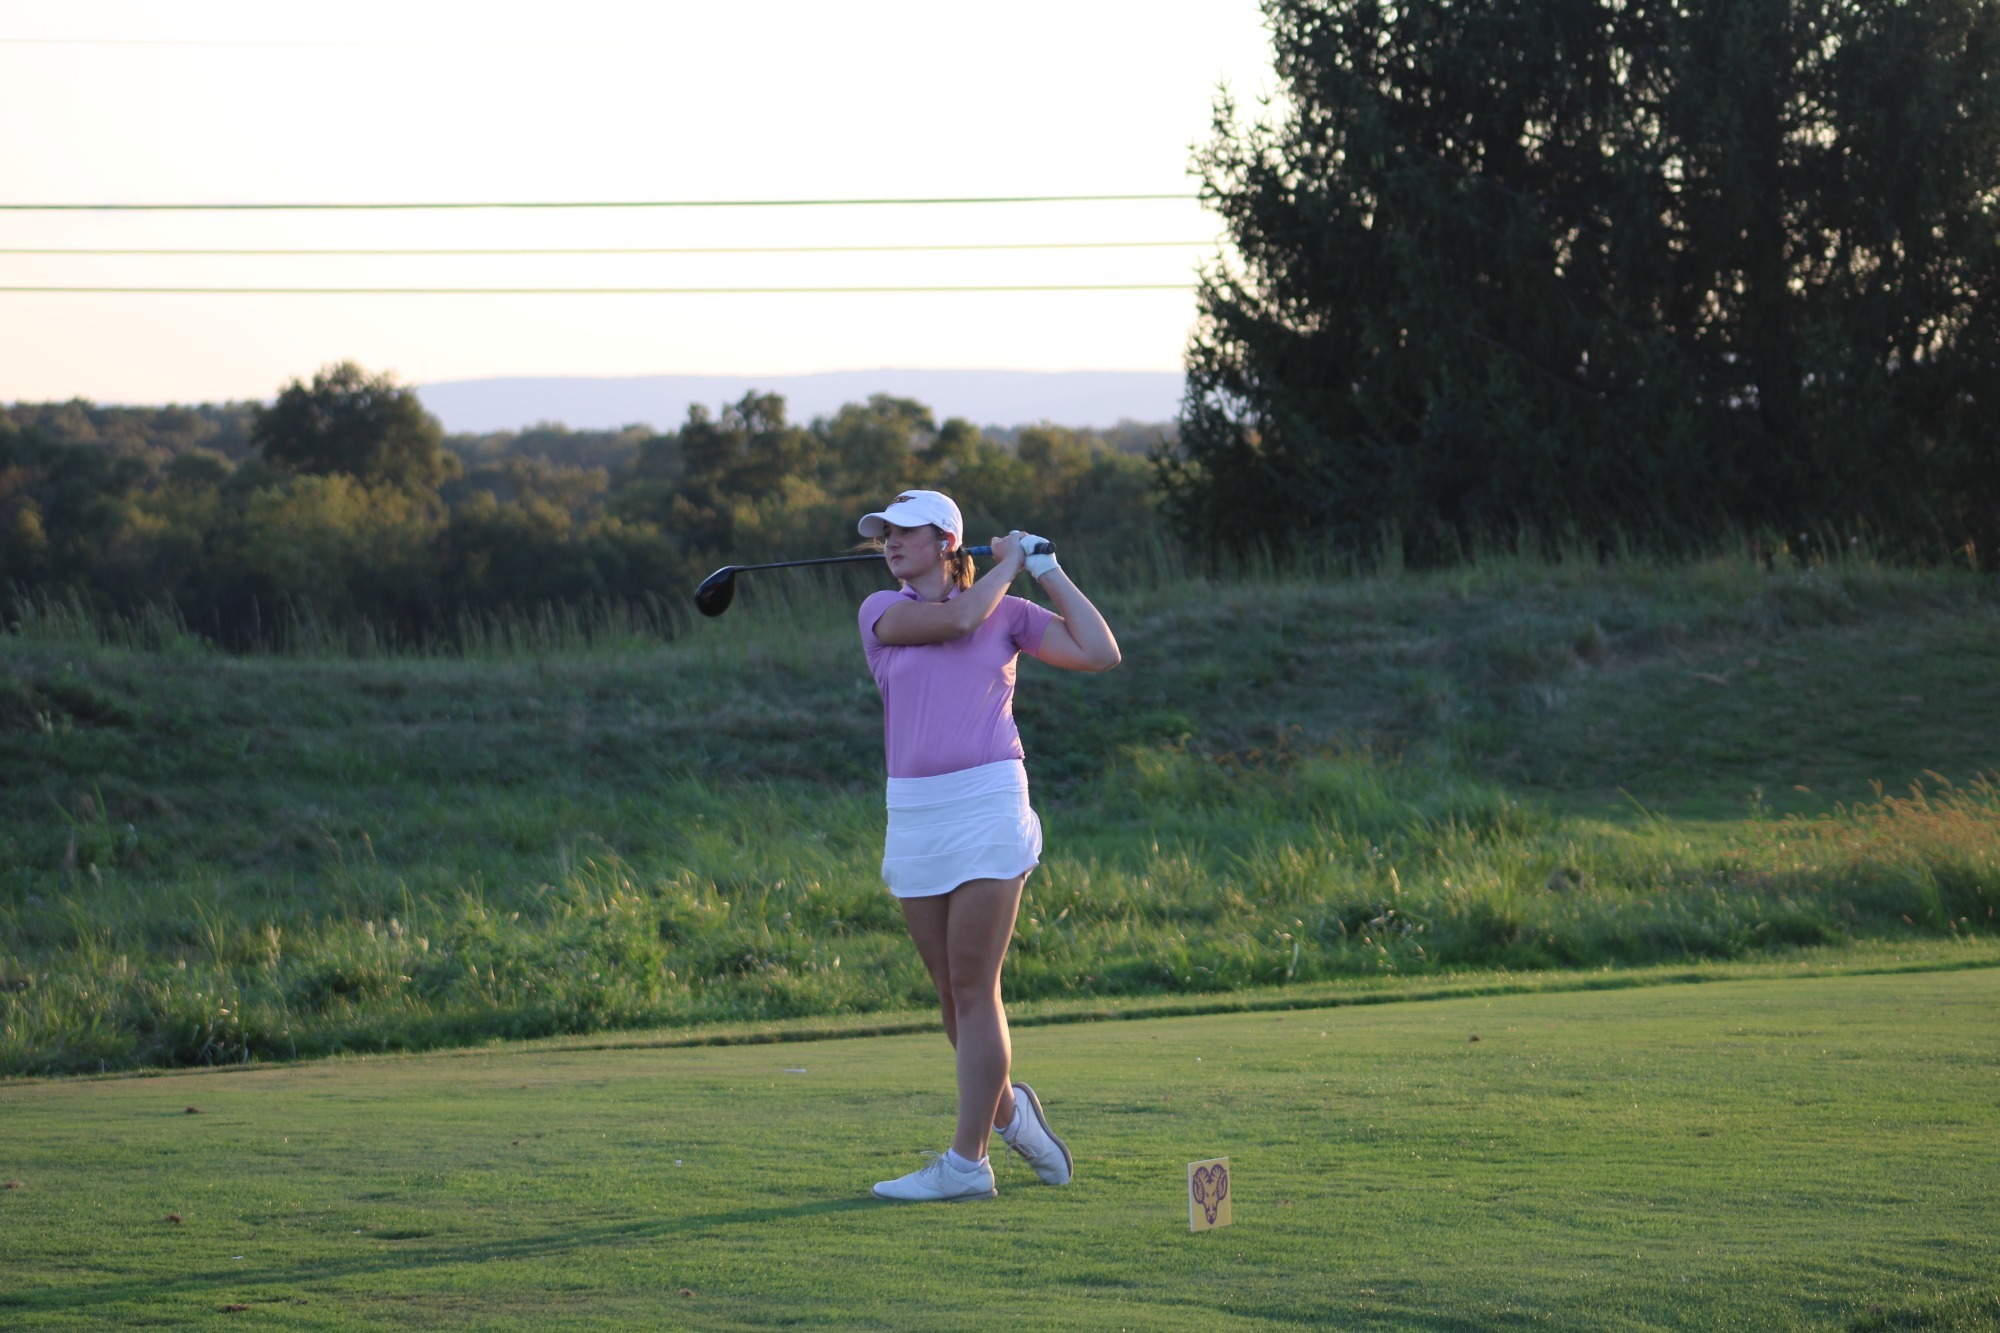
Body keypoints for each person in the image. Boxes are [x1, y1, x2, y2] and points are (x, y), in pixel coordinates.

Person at [856, 489, 1121, 1202]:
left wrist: (1044, 568)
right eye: (884, 535)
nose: (889, 542)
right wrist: (1005, 565)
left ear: (947, 540)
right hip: (914, 811)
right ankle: (1012, 1114)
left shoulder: (1008, 611)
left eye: (905, 533)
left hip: (987, 801)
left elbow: (1100, 651)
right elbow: (959, 616)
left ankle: (967, 1163)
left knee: (976, 985)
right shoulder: (882, 611)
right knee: (950, 996)